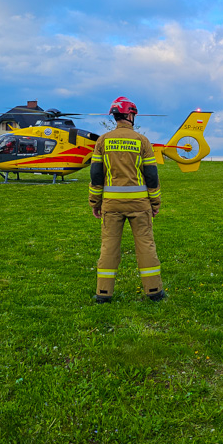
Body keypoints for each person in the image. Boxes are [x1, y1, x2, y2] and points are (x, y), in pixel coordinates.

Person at [89, 97, 165, 303]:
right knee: (146, 245)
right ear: (131, 116)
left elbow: (96, 176)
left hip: (111, 204)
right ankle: (154, 291)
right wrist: (155, 203)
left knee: (109, 247)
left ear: (115, 116)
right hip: (140, 204)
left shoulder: (103, 141)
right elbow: (151, 177)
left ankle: (103, 293)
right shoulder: (143, 141)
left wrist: (95, 202)